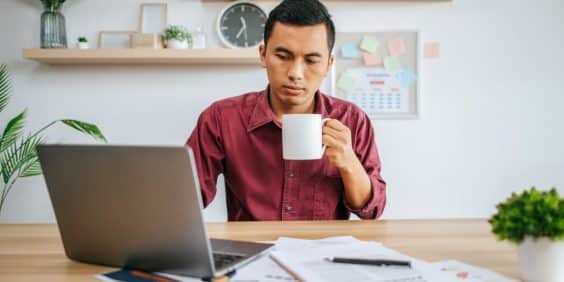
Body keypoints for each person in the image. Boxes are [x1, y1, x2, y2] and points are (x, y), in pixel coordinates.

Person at [186, 0, 386, 221]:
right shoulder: (221, 118)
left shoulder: (352, 119)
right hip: (252, 250)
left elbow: (372, 211)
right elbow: (184, 199)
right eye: (283, 57)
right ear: (263, 55)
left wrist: (348, 161)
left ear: (328, 65)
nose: (295, 73)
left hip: (323, 251)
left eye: (311, 60)